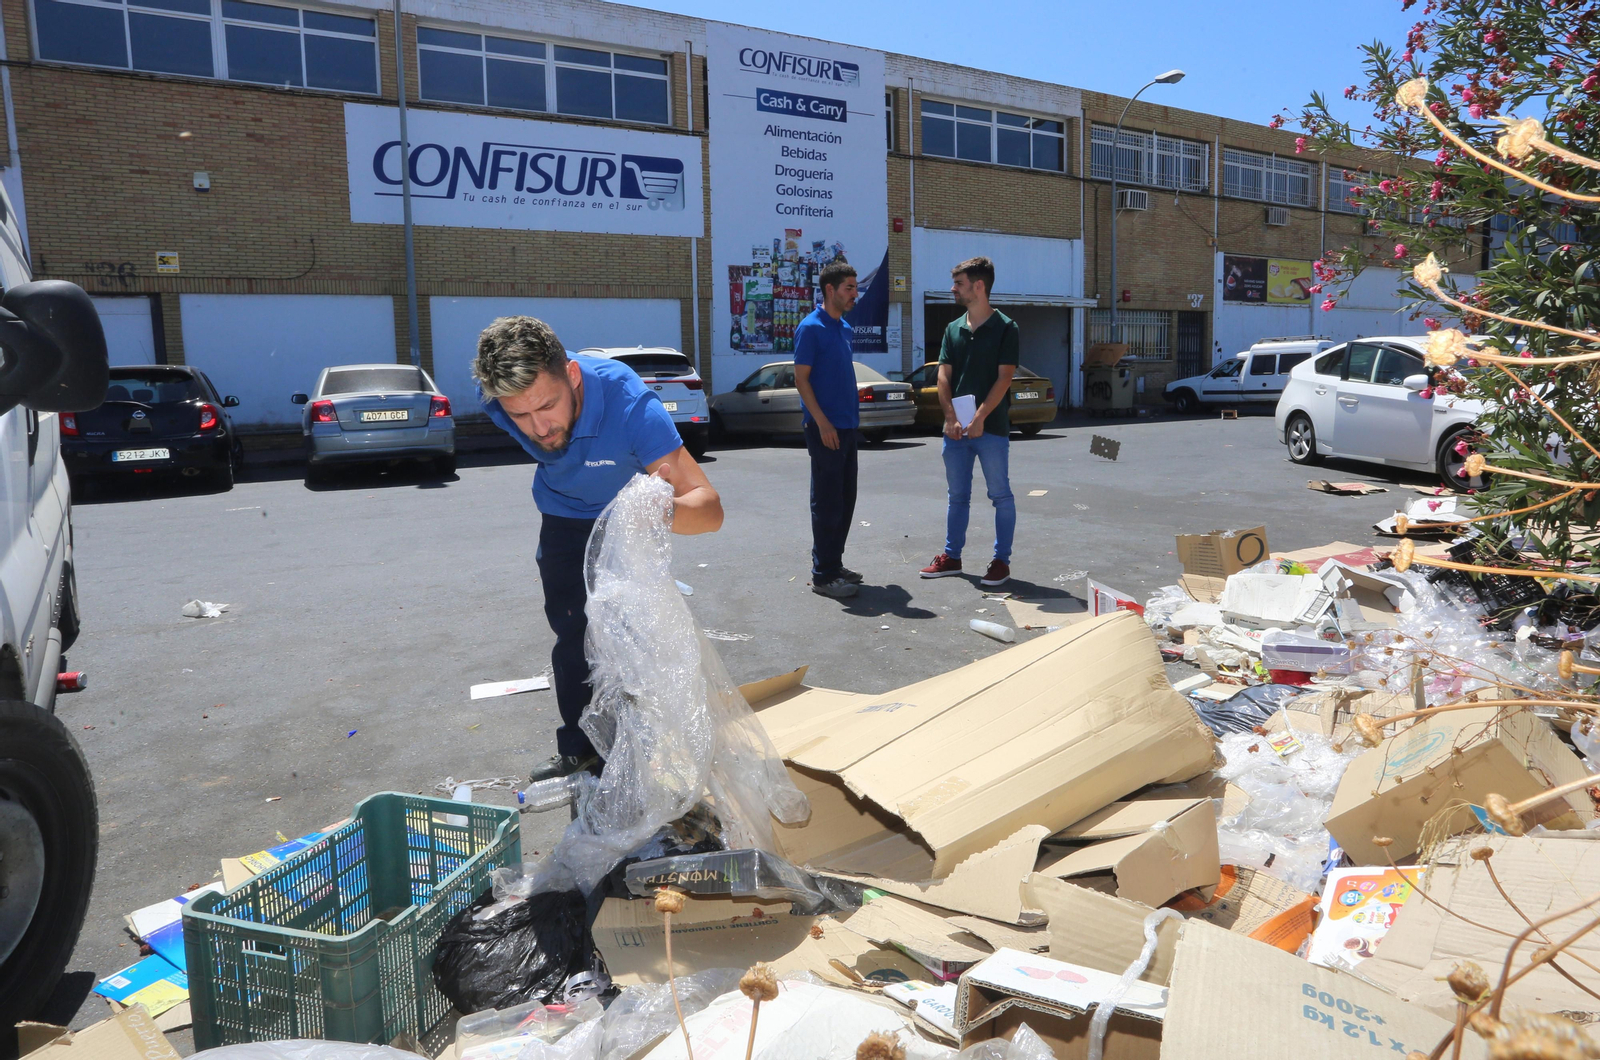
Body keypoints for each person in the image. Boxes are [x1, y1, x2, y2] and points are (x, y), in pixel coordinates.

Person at [473, 317, 724, 784]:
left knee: (632, 645)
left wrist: (651, 513)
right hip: (564, 518)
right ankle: (583, 749)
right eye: (520, 416)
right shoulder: (496, 400)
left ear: (571, 376)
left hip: (630, 521)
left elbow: (709, 509)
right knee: (573, 636)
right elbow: (532, 417)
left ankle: (647, 756)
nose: (539, 428)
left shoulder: (630, 405)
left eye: (547, 406)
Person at [920, 256, 1018, 588]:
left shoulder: (1006, 328)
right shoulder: (952, 329)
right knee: (957, 496)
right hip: (956, 432)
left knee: (1000, 495)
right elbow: (943, 375)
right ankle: (952, 558)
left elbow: (1004, 379)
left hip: (991, 429)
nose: (953, 289)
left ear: (979, 286)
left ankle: (1001, 562)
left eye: (959, 283)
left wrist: (979, 418)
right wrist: (950, 417)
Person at [793, 261, 863, 598]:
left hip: (848, 427)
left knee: (846, 499)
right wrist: (821, 422)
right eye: (849, 287)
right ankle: (823, 576)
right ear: (830, 290)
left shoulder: (845, 329)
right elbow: (801, 379)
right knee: (827, 501)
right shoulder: (811, 328)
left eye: (855, 287)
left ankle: (834, 564)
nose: (855, 293)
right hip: (825, 428)